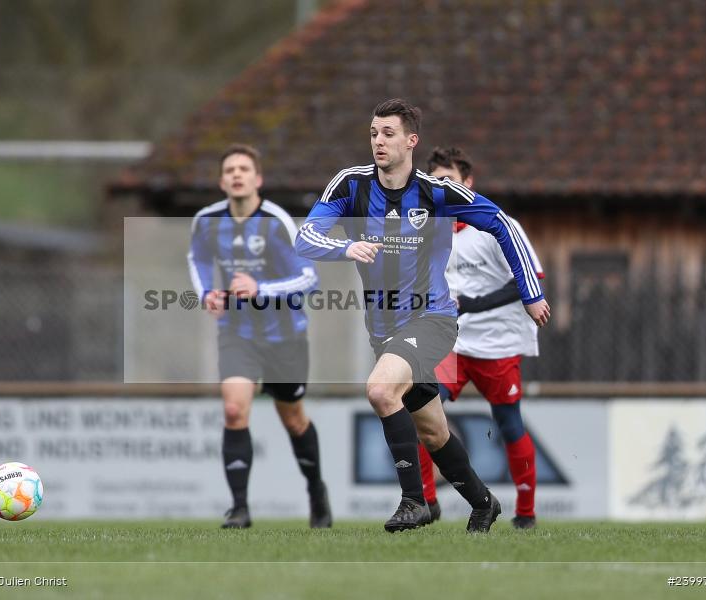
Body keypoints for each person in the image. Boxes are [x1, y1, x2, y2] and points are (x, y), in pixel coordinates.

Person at [295, 99, 549, 533]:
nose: (378, 141)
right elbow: (305, 237)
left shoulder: (437, 192)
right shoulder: (350, 185)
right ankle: (483, 502)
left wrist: (530, 292)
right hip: (383, 328)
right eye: (373, 133)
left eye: (388, 133)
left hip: (432, 319)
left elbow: (501, 223)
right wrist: (346, 247)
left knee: (380, 391)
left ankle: (414, 501)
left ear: (411, 140)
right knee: (432, 432)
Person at [188, 143, 331, 529]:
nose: (237, 174)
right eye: (230, 170)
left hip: (284, 336)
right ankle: (239, 508)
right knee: (234, 410)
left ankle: (316, 491)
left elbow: (309, 278)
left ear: (258, 179)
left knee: (294, 420)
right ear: (222, 182)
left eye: (244, 169)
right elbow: (197, 259)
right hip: (237, 332)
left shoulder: (277, 222)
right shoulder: (207, 220)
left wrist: (261, 288)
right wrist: (207, 292)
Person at [422, 146, 543, 529]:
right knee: (420, 407)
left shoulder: (497, 224)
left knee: (509, 425)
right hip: (452, 344)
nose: (442, 190)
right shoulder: (427, 231)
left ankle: (526, 513)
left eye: (449, 181)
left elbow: (529, 281)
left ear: (468, 183)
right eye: (435, 184)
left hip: (498, 344)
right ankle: (426, 502)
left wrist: (473, 303)